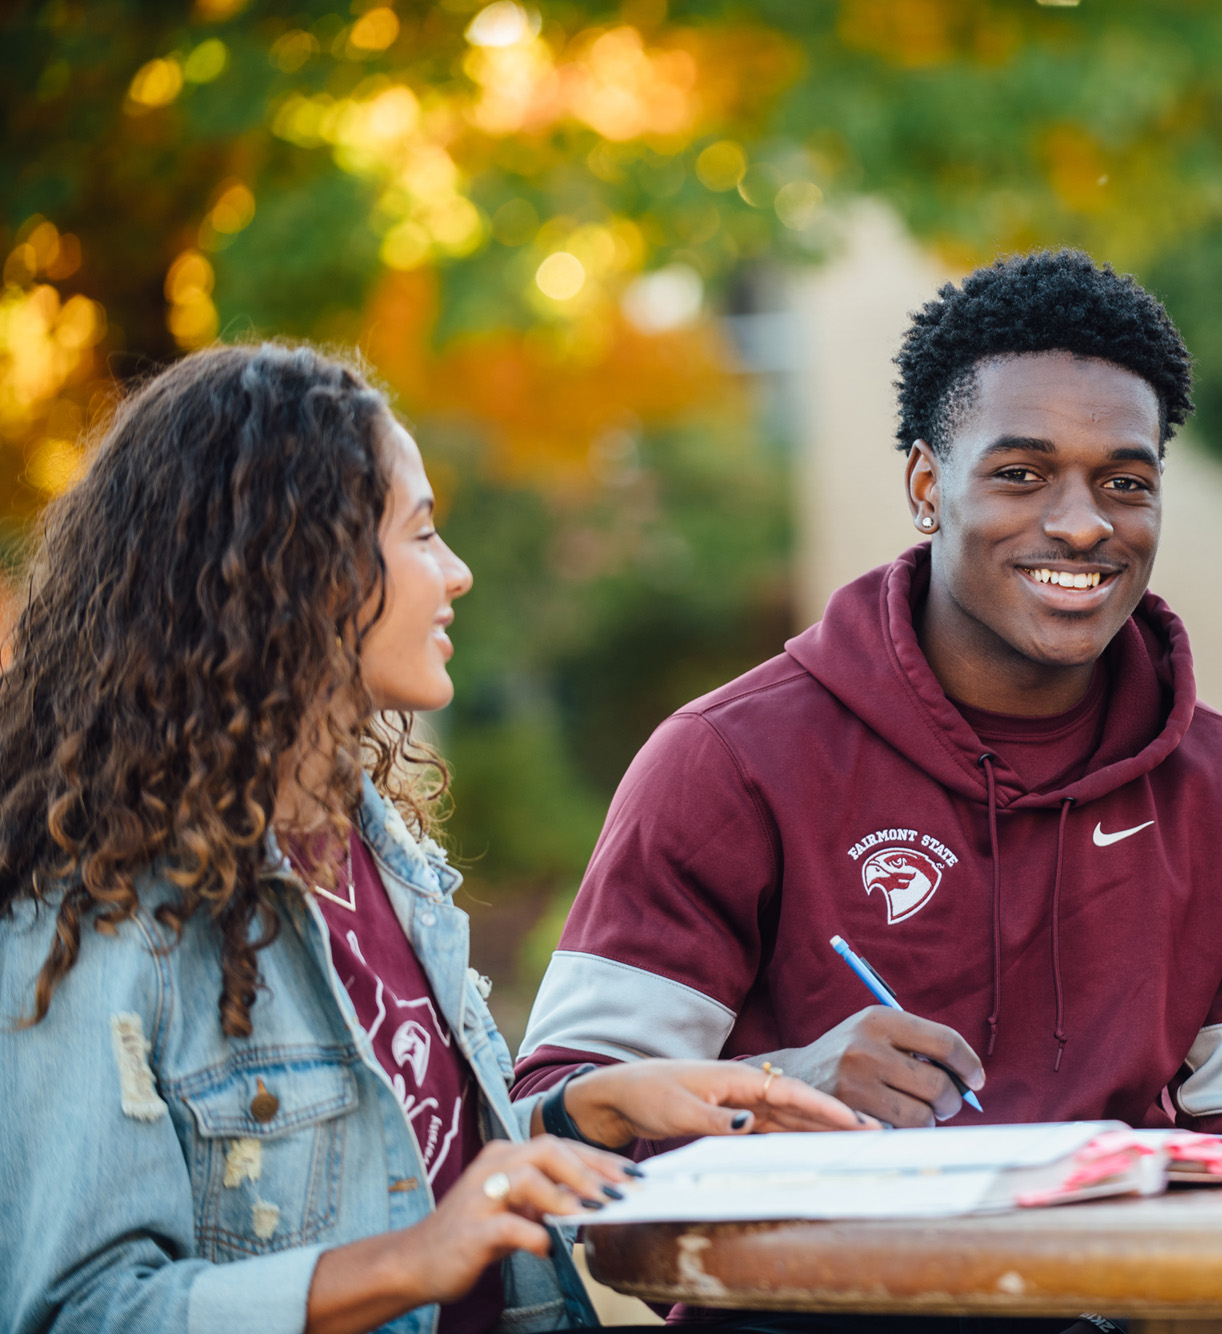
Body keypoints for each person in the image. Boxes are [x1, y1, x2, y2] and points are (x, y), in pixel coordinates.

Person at [0, 344, 866, 1334]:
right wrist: (407, 1263)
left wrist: (602, 1105)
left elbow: (418, 1157)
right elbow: (75, 1308)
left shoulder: (380, 851)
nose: (455, 573)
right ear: (299, 571)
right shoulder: (93, 908)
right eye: (420, 535)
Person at [514, 249, 1222, 1153]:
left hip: (1120, 1292)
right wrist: (782, 1087)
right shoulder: (731, 758)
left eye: (1126, 483)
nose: (1083, 523)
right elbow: (556, 1117)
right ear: (927, 487)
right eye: (1021, 475)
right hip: (809, 1294)